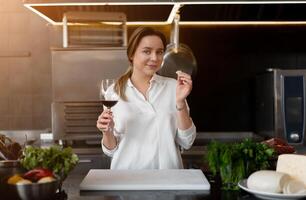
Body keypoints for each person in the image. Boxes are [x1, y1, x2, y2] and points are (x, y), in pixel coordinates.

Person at [96, 27, 196, 169]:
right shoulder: (114, 92)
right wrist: (107, 132)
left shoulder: (174, 87)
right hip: (127, 178)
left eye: (159, 52)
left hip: (168, 179)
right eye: (147, 51)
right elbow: (110, 150)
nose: (155, 58)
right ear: (132, 54)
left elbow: (187, 142)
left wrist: (180, 102)